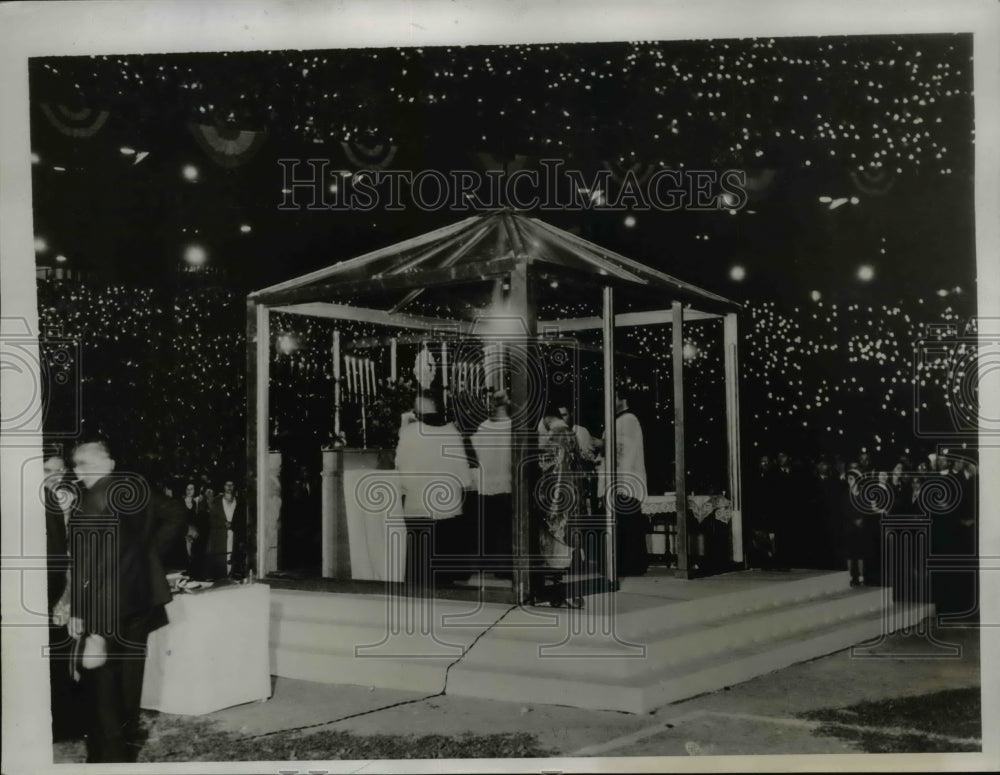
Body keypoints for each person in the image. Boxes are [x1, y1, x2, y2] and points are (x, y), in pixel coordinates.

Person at [65, 439, 180, 763]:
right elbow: (176, 514)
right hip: (140, 600)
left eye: (83, 464)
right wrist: (148, 555)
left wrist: (80, 612)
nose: (77, 472)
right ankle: (126, 747)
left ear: (106, 464)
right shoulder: (136, 488)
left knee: (102, 682)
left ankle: (108, 757)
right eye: (76, 465)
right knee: (130, 677)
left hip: (104, 605)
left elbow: (87, 564)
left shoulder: (90, 502)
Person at [394, 392, 473, 590]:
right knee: (443, 567)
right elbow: (464, 476)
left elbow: (400, 466)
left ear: (416, 412)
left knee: (418, 565)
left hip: (418, 504)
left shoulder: (409, 433)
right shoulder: (452, 432)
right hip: (446, 506)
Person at [42, 455, 78, 741]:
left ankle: (64, 720)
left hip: (63, 583)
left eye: (58, 470)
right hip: (50, 588)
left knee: (63, 652)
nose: (53, 475)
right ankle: (61, 722)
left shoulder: (63, 500)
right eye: (47, 470)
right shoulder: (43, 501)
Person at [600, 389, 649, 577]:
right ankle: (626, 563)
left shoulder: (628, 420)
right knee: (623, 524)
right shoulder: (619, 420)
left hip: (625, 479)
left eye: (614, 397)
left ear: (623, 398)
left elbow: (624, 449)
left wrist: (602, 445)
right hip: (619, 479)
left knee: (628, 524)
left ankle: (632, 565)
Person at [469, 390, 513, 575]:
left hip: (487, 484)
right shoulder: (512, 426)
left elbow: (476, 453)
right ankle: (504, 568)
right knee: (505, 528)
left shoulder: (483, 427)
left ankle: (489, 564)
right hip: (506, 482)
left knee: (491, 527)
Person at [205, 479, 246, 579]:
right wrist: (223, 524)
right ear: (223, 486)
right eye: (227, 484)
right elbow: (210, 521)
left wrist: (233, 525)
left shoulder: (239, 503)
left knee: (232, 563)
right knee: (220, 564)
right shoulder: (216, 502)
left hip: (234, 537)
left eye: (231, 484)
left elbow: (242, 522)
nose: (229, 487)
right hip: (219, 538)